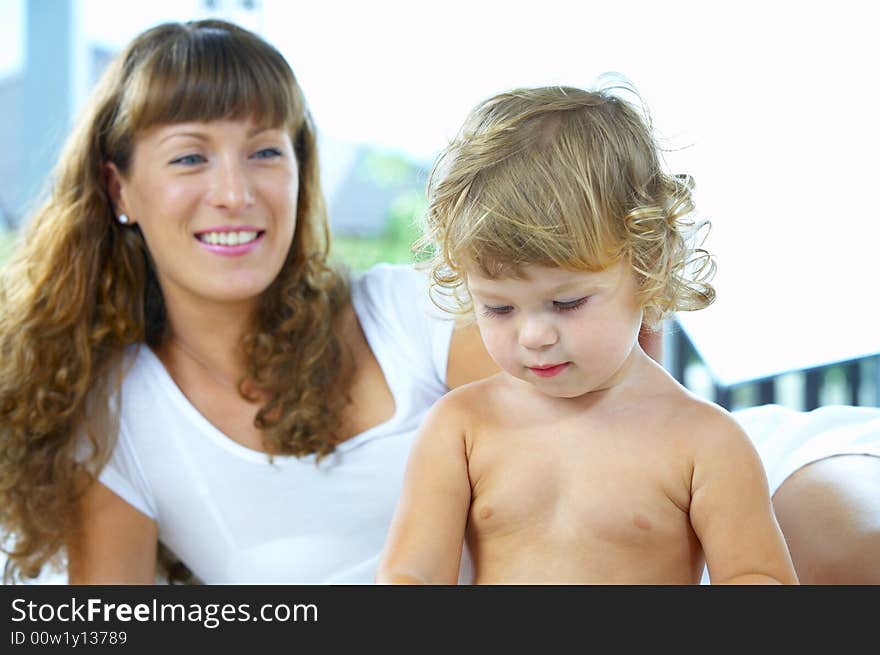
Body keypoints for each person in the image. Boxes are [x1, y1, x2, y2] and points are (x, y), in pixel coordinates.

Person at [0, 20, 876, 585]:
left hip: (683, 495)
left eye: (266, 151)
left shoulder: (410, 312)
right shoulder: (120, 415)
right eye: (191, 157)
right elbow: (111, 623)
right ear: (119, 185)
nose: (236, 191)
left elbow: (592, 428)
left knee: (846, 531)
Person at [376, 84, 795, 584]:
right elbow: (410, 576)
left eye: (567, 302)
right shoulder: (461, 429)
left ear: (648, 268)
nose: (533, 335)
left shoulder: (704, 442)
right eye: (498, 307)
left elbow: (757, 578)